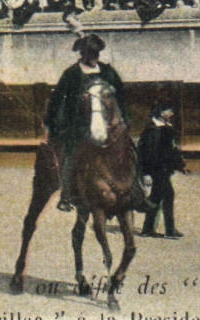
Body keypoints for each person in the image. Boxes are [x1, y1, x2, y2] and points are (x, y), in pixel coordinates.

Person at [45, 33, 149, 212]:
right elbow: (57, 101)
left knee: (131, 150)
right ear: (83, 55)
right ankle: (67, 196)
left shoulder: (107, 72)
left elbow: (121, 97)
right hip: (80, 126)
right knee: (72, 156)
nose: (94, 60)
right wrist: (56, 125)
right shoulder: (71, 74)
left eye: (96, 56)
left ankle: (137, 192)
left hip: (109, 124)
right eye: (90, 56)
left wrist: (125, 120)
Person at [137, 100, 187, 237]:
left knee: (156, 197)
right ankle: (168, 230)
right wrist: (146, 173)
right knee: (167, 196)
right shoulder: (151, 130)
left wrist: (179, 165)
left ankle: (148, 229)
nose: (171, 113)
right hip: (156, 169)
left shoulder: (167, 128)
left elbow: (172, 150)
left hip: (165, 169)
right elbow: (144, 153)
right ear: (160, 112)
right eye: (168, 110)